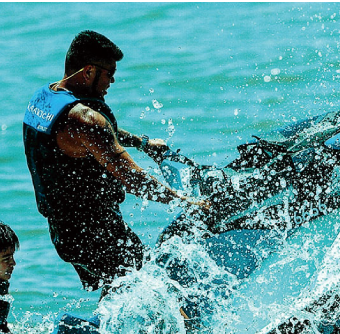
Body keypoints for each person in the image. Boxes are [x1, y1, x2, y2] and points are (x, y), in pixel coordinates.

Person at [23, 30, 208, 292]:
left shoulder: (45, 99)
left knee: (123, 288)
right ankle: (189, 333)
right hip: (94, 233)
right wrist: (186, 202)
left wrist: (142, 143)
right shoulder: (86, 120)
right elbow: (134, 179)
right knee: (149, 286)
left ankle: (112, 331)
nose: (112, 81)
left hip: (64, 230)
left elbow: (96, 135)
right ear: (88, 72)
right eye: (109, 73)